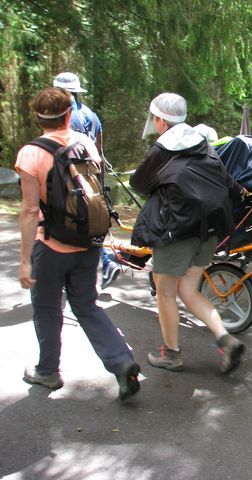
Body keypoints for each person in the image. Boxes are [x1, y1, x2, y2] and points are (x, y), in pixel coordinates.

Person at [15, 87, 140, 400]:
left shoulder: (30, 153)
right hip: (89, 242)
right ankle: (121, 361)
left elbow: (31, 210)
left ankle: (47, 371)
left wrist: (25, 260)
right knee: (86, 305)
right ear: (69, 114)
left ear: (37, 118)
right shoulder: (85, 144)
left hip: (52, 246)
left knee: (46, 309)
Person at [130, 92, 246, 374]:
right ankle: (226, 339)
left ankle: (171, 354)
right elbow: (228, 182)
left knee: (166, 292)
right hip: (209, 230)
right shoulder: (202, 143)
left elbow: (139, 183)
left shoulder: (161, 150)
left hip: (176, 230)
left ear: (160, 121)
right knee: (188, 289)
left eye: (154, 118)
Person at [53, 71, 120, 289]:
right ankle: (103, 263)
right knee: (90, 222)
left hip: (72, 178)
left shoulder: (65, 115)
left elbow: (60, 149)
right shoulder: (92, 115)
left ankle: (105, 263)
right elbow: (99, 153)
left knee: (71, 223)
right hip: (92, 176)